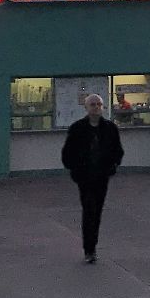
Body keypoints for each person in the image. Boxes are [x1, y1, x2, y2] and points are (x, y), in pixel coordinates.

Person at [61, 93, 124, 263]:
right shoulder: (77, 128)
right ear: (86, 107)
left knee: (97, 212)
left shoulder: (110, 128)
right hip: (85, 177)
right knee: (89, 209)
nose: (96, 107)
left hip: (102, 176)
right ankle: (89, 249)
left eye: (99, 104)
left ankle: (92, 246)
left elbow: (118, 150)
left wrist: (113, 166)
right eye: (93, 104)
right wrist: (75, 170)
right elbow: (68, 152)